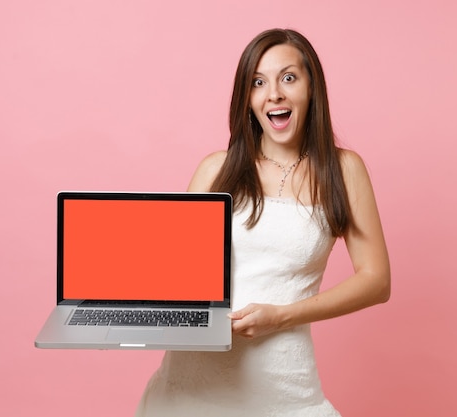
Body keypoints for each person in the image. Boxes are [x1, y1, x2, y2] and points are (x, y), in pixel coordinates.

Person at [135, 28, 390, 417]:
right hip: (187, 387)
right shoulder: (215, 169)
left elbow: (376, 280)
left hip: (282, 385)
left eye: (288, 78)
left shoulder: (344, 170)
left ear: (311, 88)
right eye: (258, 82)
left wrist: (282, 316)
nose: (274, 93)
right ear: (247, 98)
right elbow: (174, 273)